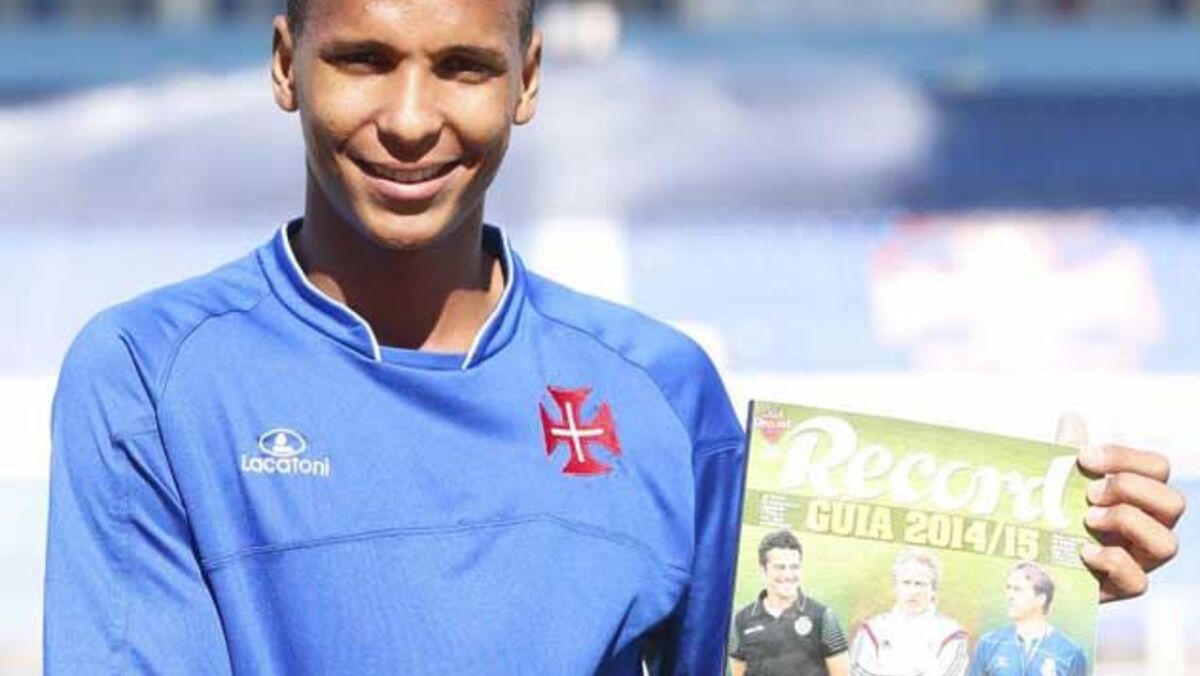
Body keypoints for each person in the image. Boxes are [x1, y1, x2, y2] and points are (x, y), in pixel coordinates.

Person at [40, 0, 1186, 673]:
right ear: (285, 64)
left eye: (463, 67)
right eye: (364, 59)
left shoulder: (657, 390)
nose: (410, 118)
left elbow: (786, 657)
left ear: (528, 80)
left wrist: (1037, 577)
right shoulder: (150, 377)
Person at [729, 530, 850, 676]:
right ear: (763, 570)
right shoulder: (742, 619)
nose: (788, 575)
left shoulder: (823, 617)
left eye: (794, 567)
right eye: (780, 567)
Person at [849, 548, 968, 676]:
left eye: (920, 584)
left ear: (933, 590)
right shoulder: (873, 629)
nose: (912, 591)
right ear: (896, 587)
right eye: (906, 583)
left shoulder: (951, 634)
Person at [967, 562, 1088, 676]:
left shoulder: (1071, 652)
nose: (1010, 596)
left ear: (1040, 599)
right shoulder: (989, 643)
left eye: (1018, 589)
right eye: (1008, 588)